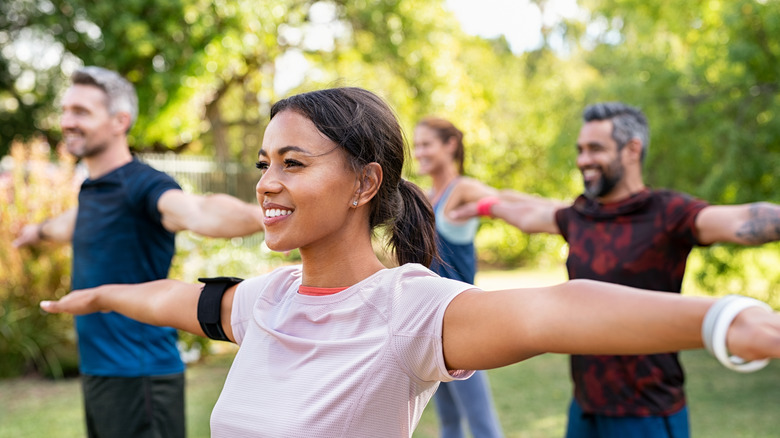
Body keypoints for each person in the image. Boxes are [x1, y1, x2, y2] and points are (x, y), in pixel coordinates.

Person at [38, 88, 780, 438]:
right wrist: (102, 293)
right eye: (265, 162)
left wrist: (726, 319)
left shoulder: (409, 310)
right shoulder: (267, 300)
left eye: (293, 162)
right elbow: (179, 299)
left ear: (365, 183)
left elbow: (556, 310)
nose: (266, 182)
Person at [450, 102, 780, 438]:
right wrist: (482, 207)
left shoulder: (669, 213)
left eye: (595, 149)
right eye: (580, 150)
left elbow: (741, 220)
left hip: (647, 412)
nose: (582, 160)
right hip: (585, 409)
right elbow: (528, 214)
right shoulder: (579, 215)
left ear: (632, 149)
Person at [13, 66, 265, 438]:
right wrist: (34, 232)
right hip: (101, 373)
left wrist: (266, 216)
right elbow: (71, 224)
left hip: (141, 377)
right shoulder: (94, 190)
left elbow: (198, 211)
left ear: (120, 121)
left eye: (81, 112)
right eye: (66, 110)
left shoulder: (144, 185)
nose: (67, 121)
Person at [413, 117, 504, 438]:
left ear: (450, 144)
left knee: (481, 424)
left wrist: (563, 214)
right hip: (430, 323)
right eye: (416, 144)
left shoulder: (463, 189)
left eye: (426, 144)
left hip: (463, 322)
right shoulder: (426, 197)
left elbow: (504, 200)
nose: (418, 151)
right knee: (449, 421)